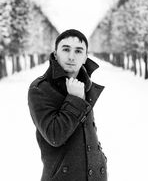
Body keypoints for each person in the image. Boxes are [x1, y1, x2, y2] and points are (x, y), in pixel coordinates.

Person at [28, 29, 107, 181]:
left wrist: (101, 159)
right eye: (65, 49)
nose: (71, 56)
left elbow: (88, 130)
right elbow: (55, 136)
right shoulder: (40, 88)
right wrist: (74, 99)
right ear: (56, 54)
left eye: (78, 51)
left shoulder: (84, 83)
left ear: (85, 57)